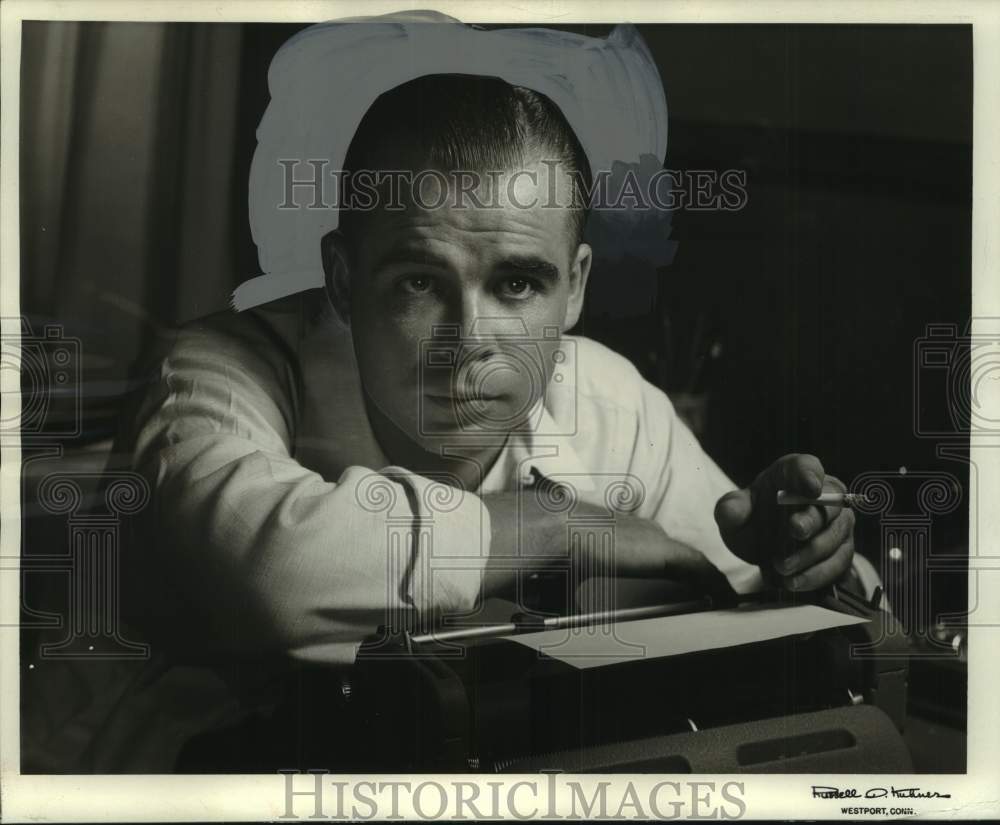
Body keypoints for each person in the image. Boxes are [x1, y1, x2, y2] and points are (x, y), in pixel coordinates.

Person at [91, 20, 872, 772]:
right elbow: (260, 573)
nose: (469, 339)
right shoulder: (213, 373)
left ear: (574, 290)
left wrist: (800, 559)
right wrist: (551, 524)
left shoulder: (607, 399)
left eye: (518, 282)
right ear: (341, 278)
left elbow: (753, 586)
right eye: (421, 281)